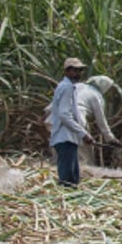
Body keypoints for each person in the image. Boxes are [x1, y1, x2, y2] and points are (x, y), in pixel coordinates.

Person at [48, 57, 94, 187]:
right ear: (67, 71)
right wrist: (83, 133)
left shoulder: (65, 87)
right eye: (75, 70)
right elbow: (64, 115)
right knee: (68, 181)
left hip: (66, 138)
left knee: (72, 177)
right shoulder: (67, 87)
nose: (78, 74)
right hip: (65, 138)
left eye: (80, 71)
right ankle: (65, 205)